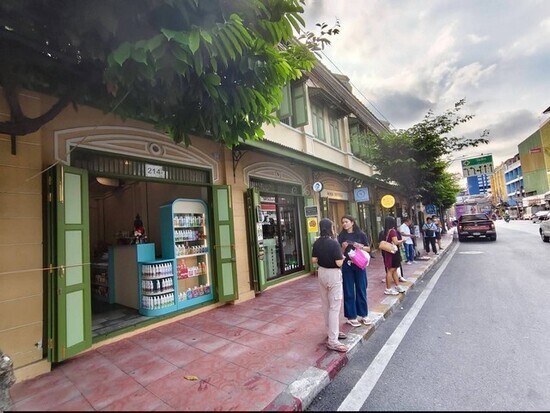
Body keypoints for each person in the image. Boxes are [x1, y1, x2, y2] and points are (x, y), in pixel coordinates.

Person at [311, 218, 348, 353]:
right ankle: (333, 340)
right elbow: (339, 263)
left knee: (326, 304)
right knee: (334, 307)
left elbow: (314, 260)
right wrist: (343, 257)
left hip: (321, 272)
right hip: (333, 274)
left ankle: (332, 332)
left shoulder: (317, 242)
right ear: (330, 228)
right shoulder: (334, 243)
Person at [337, 215, 373, 327]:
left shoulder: (360, 234)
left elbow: (368, 248)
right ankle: (351, 316)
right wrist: (343, 248)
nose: (344, 224)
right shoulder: (341, 236)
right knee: (348, 290)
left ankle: (363, 314)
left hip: (359, 264)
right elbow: (339, 253)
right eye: (343, 222)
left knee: (361, 288)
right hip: (347, 265)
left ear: (352, 222)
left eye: (346, 221)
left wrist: (360, 246)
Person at [381, 216, 406, 295]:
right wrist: (403, 240)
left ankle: (397, 285)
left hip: (388, 253)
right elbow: (396, 242)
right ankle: (388, 288)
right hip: (393, 253)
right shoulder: (392, 231)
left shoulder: (385, 232)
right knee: (391, 270)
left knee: (394, 269)